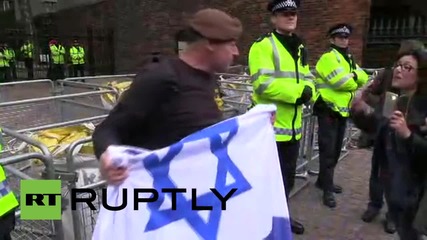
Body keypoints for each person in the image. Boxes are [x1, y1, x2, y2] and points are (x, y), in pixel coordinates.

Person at [93, 8, 242, 185]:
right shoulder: (161, 77)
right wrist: (107, 155)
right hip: (158, 196)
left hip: (194, 192)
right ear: (210, 42)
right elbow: (108, 129)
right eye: (231, 44)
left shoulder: (208, 77)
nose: (236, 52)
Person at [248, 0, 316, 234]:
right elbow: (263, 84)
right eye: (285, 14)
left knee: (286, 181)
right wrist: (299, 94)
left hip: (294, 129)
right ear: (273, 18)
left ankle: (281, 219)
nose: (290, 17)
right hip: (270, 129)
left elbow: (309, 79)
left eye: (294, 13)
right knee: (266, 182)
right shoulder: (263, 46)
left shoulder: (299, 46)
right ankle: (261, 225)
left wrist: (310, 92)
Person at [353, 39, 424, 234]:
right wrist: (361, 111)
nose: (399, 70)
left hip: (413, 198)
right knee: (379, 173)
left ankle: (392, 216)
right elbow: (378, 123)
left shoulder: (422, 108)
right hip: (389, 164)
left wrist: (408, 135)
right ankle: (375, 205)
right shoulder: (394, 97)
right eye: (398, 65)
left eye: (407, 67)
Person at [313, 23, 369, 208]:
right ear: (332, 39)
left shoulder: (348, 59)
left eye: (345, 37)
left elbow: (364, 77)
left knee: (336, 149)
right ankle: (327, 190)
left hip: (342, 110)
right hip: (328, 109)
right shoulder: (328, 58)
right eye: (340, 37)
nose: (344, 40)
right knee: (328, 151)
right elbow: (340, 82)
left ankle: (323, 181)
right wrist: (354, 77)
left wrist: (352, 76)